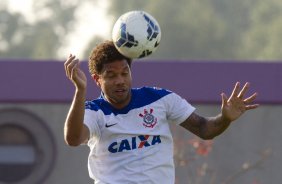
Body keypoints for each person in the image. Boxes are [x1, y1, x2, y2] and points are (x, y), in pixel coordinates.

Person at [63, 40, 259, 184]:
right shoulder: (94, 111)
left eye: (124, 73)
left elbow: (205, 129)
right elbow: (73, 138)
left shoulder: (160, 99)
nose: (120, 80)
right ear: (97, 80)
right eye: (111, 76)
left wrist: (225, 118)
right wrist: (80, 91)